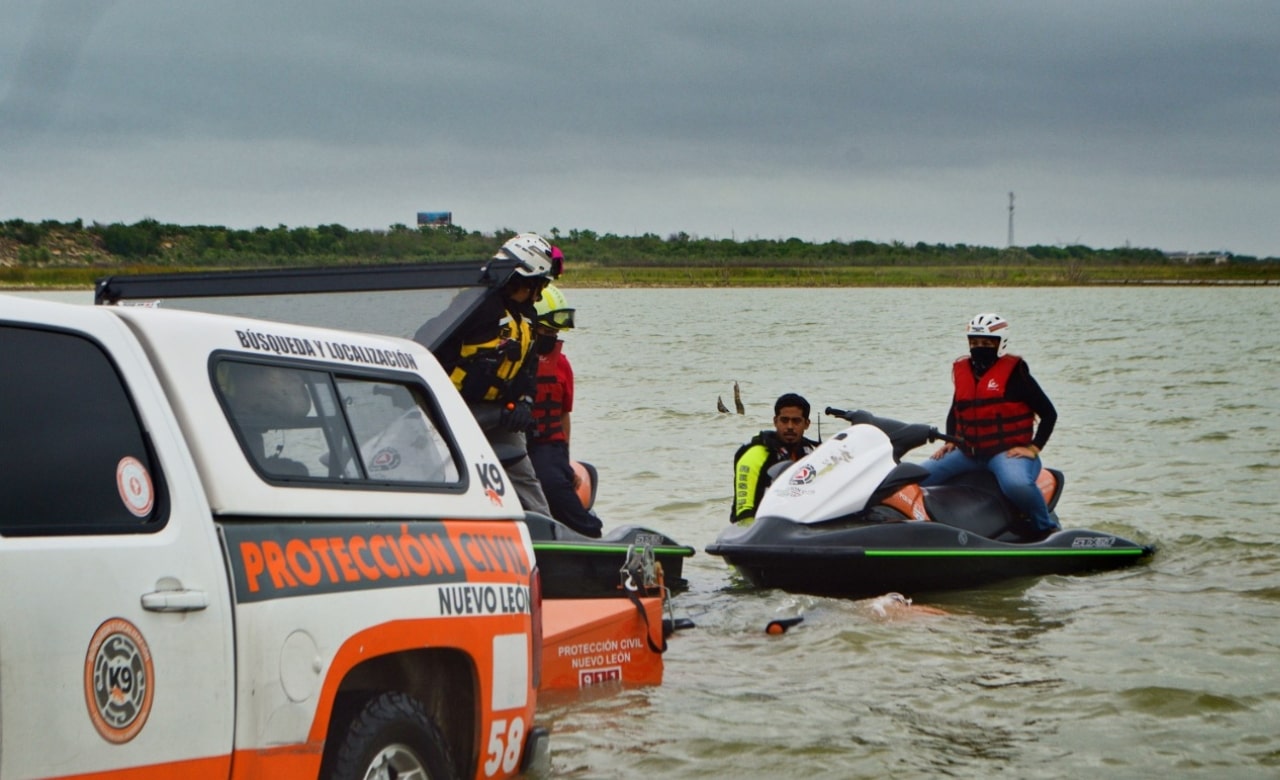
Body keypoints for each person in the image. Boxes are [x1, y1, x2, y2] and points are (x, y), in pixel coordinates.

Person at [435, 232, 560, 516]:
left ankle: (545, 533)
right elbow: (429, 345)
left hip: (500, 412)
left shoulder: (526, 316)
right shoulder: (473, 308)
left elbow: (529, 368)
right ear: (523, 279)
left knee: (525, 477)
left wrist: (526, 403)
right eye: (538, 286)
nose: (539, 294)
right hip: (452, 411)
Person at [919, 312, 1061, 537]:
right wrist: (951, 440)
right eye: (974, 342)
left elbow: (1049, 414)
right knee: (914, 477)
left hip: (1006, 454)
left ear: (1000, 343)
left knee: (1017, 485)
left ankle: (1046, 528)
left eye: (986, 343)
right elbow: (955, 410)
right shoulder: (964, 371)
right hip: (968, 452)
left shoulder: (1017, 374)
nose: (979, 347)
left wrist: (1033, 449)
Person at [526, 283, 604, 537]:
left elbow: (563, 414)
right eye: (545, 330)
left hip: (550, 448)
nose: (551, 336)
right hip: (517, 444)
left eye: (555, 331)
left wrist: (564, 461)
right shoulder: (509, 360)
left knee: (556, 490)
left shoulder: (561, 365)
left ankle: (593, 538)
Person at [731, 392, 820, 523]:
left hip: (799, 527)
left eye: (796, 421)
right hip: (761, 530)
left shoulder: (811, 454)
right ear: (775, 421)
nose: (790, 426)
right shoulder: (754, 455)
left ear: (806, 424)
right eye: (784, 420)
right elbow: (743, 511)